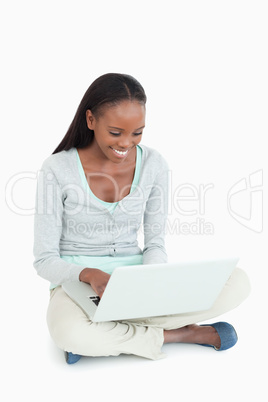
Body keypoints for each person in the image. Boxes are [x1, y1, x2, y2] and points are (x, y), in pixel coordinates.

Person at [33, 73, 251, 364]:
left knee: (238, 282)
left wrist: (151, 281)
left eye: (137, 133)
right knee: (70, 332)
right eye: (115, 132)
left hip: (136, 281)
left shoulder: (154, 164)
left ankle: (110, 334)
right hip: (77, 284)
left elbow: (155, 243)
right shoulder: (56, 169)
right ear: (90, 119)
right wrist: (89, 274)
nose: (126, 143)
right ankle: (179, 335)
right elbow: (44, 260)